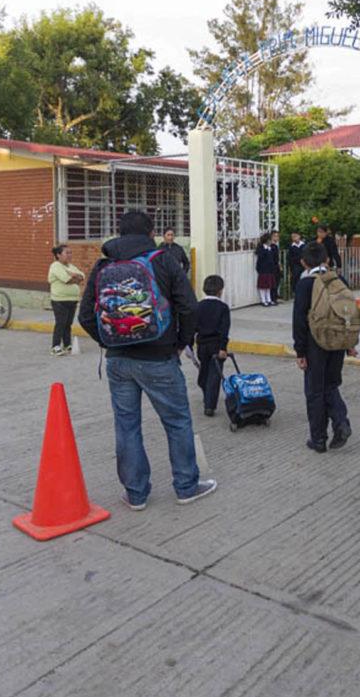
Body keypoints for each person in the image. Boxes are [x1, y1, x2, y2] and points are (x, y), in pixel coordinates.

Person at [78, 210, 216, 509]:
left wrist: (107, 341)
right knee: (177, 422)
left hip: (118, 361)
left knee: (127, 426)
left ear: (120, 232)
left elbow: (85, 315)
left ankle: (136, 493)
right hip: (160, 357)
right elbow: (190, 307)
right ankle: (186, 487)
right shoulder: (163, 260)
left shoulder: (104, 264)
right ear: (151, 232)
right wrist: (180, 342)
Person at [293, 242, 355, 453]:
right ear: (327, 260)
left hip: (314, 344)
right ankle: (341, 422)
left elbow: (299, 320)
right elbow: (346, 313)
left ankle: (318, 438)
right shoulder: (339, 281)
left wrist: (300, 351)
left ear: (303, 263)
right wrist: (349, 344)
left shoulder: (304, 285)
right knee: (331, 385)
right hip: (337, 342)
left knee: (315, 390)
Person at [194, 275, 230, 417]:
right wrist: (223, 348)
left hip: (202, 345)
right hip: (216, 345)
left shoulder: (198, 306)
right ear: (220, 290)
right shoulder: (223, 308)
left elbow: (193, 327)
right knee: (214, 376)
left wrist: (189, 345)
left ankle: (206, 395)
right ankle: (210, 405)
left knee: (204, 371)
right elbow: (224, 330)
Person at [47, 244, 85, 356]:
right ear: (58, 255)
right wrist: (74, 277)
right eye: (67, 253)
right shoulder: (55, 266)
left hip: (72, 299)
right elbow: (66, 280)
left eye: (70, 253)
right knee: (60, 323)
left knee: (68, 323)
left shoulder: (71, 266)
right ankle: (55, 346)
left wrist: (75, 275)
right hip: (59, 300)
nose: (69, 255)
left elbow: (82, 276)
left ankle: (67, 344)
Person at [255, 231, 279, 307]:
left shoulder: (270, 248)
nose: (270, 241)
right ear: (266, 240)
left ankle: (268, 299)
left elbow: (273, 259)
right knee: (263, 286)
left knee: (268, 286)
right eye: (269, 240)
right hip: (263, 270)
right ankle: (263, 300)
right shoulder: (262, 248)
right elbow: (260, 258)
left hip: (270, 269)